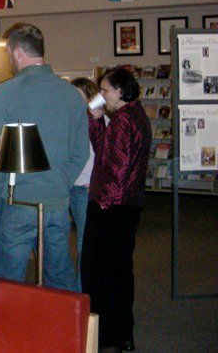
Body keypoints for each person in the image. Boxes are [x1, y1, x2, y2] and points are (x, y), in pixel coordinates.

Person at [0, 23, 88, 291]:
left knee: (8, 283)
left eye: (8, 53)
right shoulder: (71, 94)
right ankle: (66, 332)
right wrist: (61, 184)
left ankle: (10, 333)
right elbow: (81, 152)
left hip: (17, 201)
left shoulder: (7, 92)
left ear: (17, 52)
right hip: (56, 203)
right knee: (60, 281)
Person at [81, 68, 151, 353]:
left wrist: (103, 201)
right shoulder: (132, 115)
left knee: (97, 272)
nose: (102, 96)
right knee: (120, 271)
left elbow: (118, 169)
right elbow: (105, 152)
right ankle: (121, 334)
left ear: (121, 91)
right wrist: (97, 123)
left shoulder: (123, 121)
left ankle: (104, 335)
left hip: (112, 208)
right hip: (126, 206)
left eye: (106, 90)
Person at [69, 77, 100, 290]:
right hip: (68, 186)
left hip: (84, 188)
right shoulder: (71, 119)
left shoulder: (99, 121)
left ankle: (81, 292)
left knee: (83, 241)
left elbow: (105, 156)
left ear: (90, 97)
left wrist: (97, 181)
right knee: (59, 239)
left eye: (79, 95)